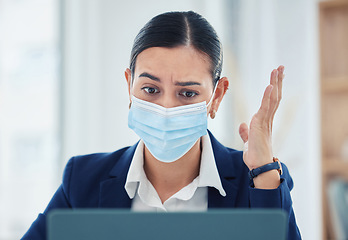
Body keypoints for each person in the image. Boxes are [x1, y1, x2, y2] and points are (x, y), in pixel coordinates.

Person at [22, 11, 301, 239]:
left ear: (216, 96)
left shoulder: (258, 183)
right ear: (129, 85)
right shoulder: (82, 180)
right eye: (150, 89)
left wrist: (263, 171)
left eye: (188, 93)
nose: (165, 107)